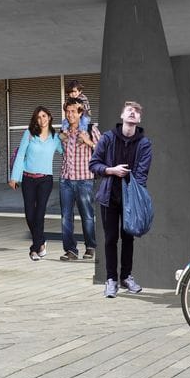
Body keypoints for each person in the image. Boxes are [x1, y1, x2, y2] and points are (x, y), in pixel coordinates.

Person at [92, 101, 152, 297]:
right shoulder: (108, 138)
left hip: (130, 199)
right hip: (109, 197)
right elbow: (94, 164)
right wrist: (111, 170)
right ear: (122, 115)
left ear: (139, 119)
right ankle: (111, 280)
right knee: (110, 239)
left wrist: (127, 178)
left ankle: (126, 277)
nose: (133, 113)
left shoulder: (144, 144)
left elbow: (142, 175)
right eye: (129, 110)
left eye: (136, 111)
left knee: (128, 238)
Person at [9, 106, 61, 261]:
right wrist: (14, 177)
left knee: (39, 214)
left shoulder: (55, 137)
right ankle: (41, 242)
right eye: (39, 117)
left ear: (50, 117)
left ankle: (34, 248)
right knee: (30, 214)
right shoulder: (29, 134)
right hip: (28, 179)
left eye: (44, 116)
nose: (42, 120)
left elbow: (65, 152)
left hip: (45, 179)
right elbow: (20, 155)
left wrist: (71, 138)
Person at [58, 98, 97, 261]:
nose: (70, 114)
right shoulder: (64, 131)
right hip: (66, 179)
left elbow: (103, 149)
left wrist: (88, 141)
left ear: (81, 112)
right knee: (66, 217)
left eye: (73, 111)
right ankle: (71, 250)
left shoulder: (90, 128)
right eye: (67, 111)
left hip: (84, 180)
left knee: (87, 215)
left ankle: (90, 247)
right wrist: (62, 139)